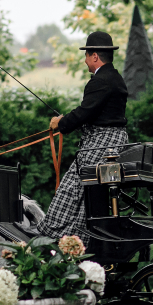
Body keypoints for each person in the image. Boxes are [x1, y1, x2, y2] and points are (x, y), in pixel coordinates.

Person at [39, 31, 128, 246]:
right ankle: (76, 233)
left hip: (102, 143)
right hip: (114, 141)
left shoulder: (100, 81)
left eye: (86, 56)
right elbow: (93, 112)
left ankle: (53, 231)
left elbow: (83, 113)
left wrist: (60, 123)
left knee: (71, 187)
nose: (85, 61)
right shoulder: (116, 78)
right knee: (83, 190)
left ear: (95, 56)